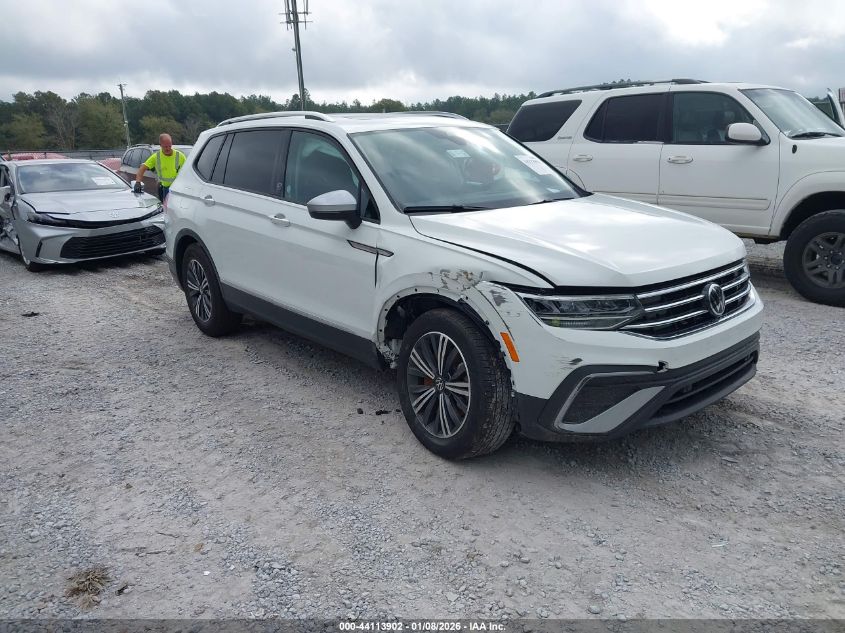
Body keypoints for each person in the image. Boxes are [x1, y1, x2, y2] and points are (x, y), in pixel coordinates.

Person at [134, 133, 187, 200]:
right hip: (165, 189)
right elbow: (142, 168)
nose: (168, 149)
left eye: (169, 146)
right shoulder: (156, 157)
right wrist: (138, 182)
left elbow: (188, 170)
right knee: (166, 208)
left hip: (178, 189)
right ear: (160, 145)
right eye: (165, 147)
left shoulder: (180, 156)